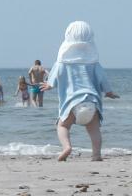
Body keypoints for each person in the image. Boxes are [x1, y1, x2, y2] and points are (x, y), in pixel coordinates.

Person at [40, 20, 119, 161]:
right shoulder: (93, 61)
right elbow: (103, 79)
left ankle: (67, 147)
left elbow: (55, 74)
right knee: (94, 130)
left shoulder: (63, 60)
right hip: (91, 103)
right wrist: (109, 92)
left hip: (71, 104)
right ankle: (96, 155)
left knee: (62, 126)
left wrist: (50, 85)